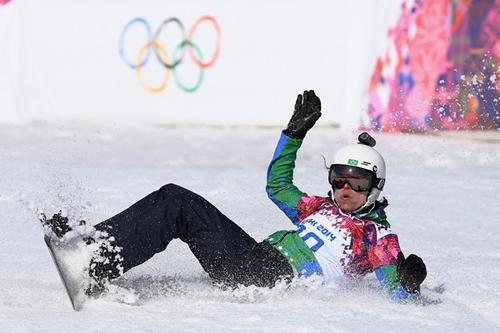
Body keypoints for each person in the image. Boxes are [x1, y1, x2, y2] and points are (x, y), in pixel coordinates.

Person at [41, 90, 426, 301]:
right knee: (174, 199)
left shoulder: (378, 237)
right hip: (257, 261)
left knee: (177, 202)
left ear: (375, 187)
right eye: (339, 179)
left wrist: (408, 282)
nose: (346, 189)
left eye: (357, 183)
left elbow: (395, 290)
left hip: (271, 276)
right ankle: (91, 251)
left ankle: (92, 260)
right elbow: (277, 187)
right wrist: (293, 134)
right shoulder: (319, 208)